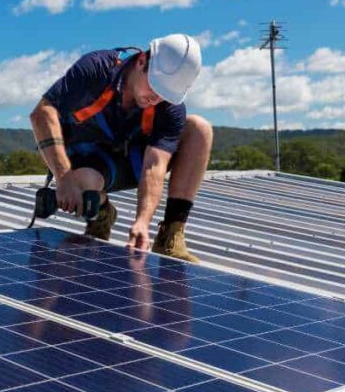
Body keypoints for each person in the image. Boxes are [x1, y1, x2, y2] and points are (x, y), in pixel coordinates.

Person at [29, 34, 213, 263]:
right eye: (154, 87)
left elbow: (154, 165)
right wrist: (63, 178)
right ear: (142, 61)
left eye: (164, 95)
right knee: (83, 182)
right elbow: (42, 113)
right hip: (89, 159)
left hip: (133, 161)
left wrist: (142, 222)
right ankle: (103, 213)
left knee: (199, 129)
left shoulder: (169, 107)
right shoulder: (96, 69)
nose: (155, 98)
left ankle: (171, 235)